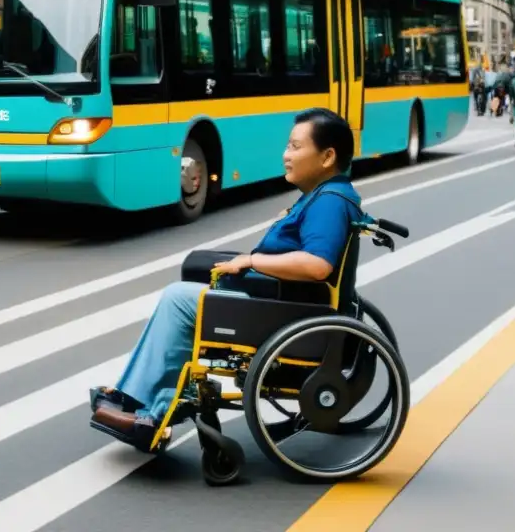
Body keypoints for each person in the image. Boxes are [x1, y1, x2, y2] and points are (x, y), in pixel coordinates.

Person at [89, 108, 363, 441]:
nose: (285, 155)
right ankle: (143, 400)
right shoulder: (324, 197)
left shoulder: (329, 202)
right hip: (281, 301)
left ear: (327, 156)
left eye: (294, 147)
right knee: (194, 276)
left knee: (179, 300)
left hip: (286, 312)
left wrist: (251, 262)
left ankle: (146, 409)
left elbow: (317, 265)